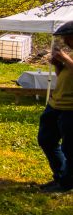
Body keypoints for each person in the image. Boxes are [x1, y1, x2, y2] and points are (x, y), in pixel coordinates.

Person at [37, 21, 73, 193]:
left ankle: (66, 183)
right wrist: (59, 65)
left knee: (70, 148)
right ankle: (60, 176)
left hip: (71, 109)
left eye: (68, 37)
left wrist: (65, 59)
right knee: (46, 139)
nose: (65, 41)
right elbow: (64, 76)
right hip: (55, 104)